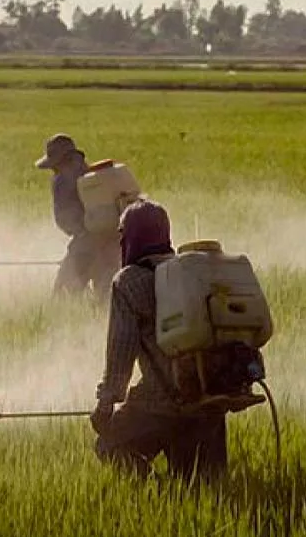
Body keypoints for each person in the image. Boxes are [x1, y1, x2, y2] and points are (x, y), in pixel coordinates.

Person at [88, 199, 228, 482]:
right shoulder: (192, 273)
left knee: (109, 446)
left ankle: (158, 491)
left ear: (130, 239)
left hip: (159, 403)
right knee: (205, 489)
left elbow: (120, 355)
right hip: (209, 400)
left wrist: (106, 403)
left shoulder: (128, 281)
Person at [34, 133, 121, 301]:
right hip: (113, 240)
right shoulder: (88, 171)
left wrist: (78, 245)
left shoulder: (61, 180)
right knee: (105, 298)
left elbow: (64, 219)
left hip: (85, 243)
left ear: (57, 161)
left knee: (62, 297)